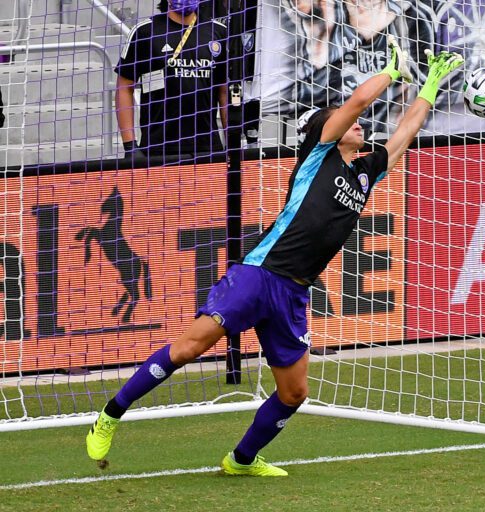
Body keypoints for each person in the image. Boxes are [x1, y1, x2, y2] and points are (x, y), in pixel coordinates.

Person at [86, 38, 463, 476]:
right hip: (259, 274)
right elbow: (360, 100)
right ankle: (110, 415)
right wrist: (392, 72)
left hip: (294, 292)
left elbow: (404, 134)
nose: (362, 126)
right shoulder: (317, 155)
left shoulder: (365, 172)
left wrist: (431, 84)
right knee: (192, 346)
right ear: (330, 128)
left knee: (294, 392)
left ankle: (241, 460)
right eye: (352, 124)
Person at [115, 0, 228, 161]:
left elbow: (225, 92)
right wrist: (130, 146)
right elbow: (124, 87)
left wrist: (232, 144)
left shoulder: (219, 32)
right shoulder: (145, 32)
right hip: (157, 149)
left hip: (207, 147)